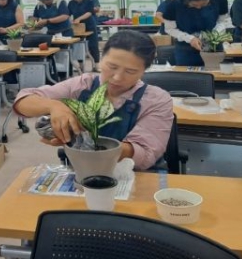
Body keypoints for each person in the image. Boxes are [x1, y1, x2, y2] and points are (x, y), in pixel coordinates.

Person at [14, 31, 174, 170]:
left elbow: (145, 155)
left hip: (137, 174)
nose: (117, 77)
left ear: (144, 71)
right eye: (112, 67)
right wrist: (54, 106)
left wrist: (88, 144)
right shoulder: (84, 84)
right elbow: (23, 100)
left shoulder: (157, 100)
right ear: (101, 59)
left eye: (130, 71)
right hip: (84, 170)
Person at [162, 0, 230, 66]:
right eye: (194, 5)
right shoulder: (174, 5)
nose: (199, 8)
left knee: (215, 72)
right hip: (186, 50)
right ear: (186, 0)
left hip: (214, 48)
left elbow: (223, 22)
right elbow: (170, 29)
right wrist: (190, 38)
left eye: (204, 4)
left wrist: (213, 35)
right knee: (188, 74)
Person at [69, 0, 100, 69]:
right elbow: (68, 14)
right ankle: (81, 65)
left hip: (89, 24)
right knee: (78, 45)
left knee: (93, 44)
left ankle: (96, 64)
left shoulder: (89, 1)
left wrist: (79, 19)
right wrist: (69, 21)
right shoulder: (71, 3)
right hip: (78, 26)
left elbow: (89, 13)